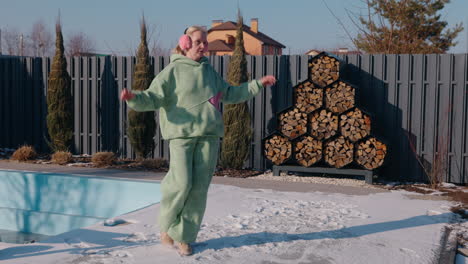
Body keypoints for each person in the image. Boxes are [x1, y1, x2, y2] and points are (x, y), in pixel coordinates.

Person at [120, 25, 276, 256]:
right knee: (181, 183)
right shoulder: (172, 71)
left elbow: (231, 94)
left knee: (199, 189)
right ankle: (167, 225)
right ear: (185, 43)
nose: (204, 46)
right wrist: (134, 98)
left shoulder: (209, 72)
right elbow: (153, 97)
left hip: (209, 136)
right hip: (181, 135)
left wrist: (257, 84)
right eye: (199, 42)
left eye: (205, 42)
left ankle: (185, 236)